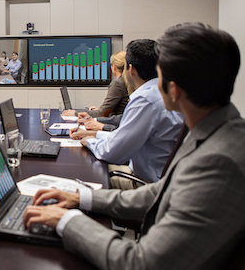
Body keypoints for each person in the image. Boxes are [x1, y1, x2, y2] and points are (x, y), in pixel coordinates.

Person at [23, 23, 245, 270]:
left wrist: (67, 221)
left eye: (159, 76)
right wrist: (81, 199)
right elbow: (158, 193)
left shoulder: (220, 163)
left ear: (173, 90)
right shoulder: (220, 132)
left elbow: (141, 267)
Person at [70, 39, 183, 186]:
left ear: (131, 69)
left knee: (83, 182)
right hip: (162, 179)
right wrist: (94, 134)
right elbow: (125, 137)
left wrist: (90, 142)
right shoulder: (161, 92)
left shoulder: (146, 100)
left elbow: (113, 153)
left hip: (147, 185)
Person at [63, 51, 130, 118]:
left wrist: (75, 113)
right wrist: (97, 111)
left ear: (114, 67)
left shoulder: (118, 84)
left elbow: (101, 114)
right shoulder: (128, 81)